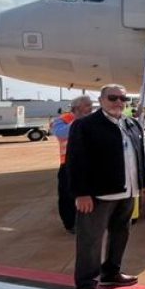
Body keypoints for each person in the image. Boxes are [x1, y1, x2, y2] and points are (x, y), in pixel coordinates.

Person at [67, 84, 145, 289]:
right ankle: (86, 284)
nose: (118, 102)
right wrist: (81, 193)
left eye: (123, 98)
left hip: (127, 191)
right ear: (102, 100)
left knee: (121, 233)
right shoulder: (85, 126)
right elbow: (75, 162)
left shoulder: (131, 124)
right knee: (90, 241)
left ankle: (111, 272)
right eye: (113, 98)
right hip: (98, 195)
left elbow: (140, 155)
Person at [50, 95, 93, 234]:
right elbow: (61, 134)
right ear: (76, 108)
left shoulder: (92, 119)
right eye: (87, 105)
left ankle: (89, 222)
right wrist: (79, 120)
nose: (91, 108)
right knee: (68, 196)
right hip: (68, 165)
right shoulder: (62, 120)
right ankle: (71, 224)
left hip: (90, 163)